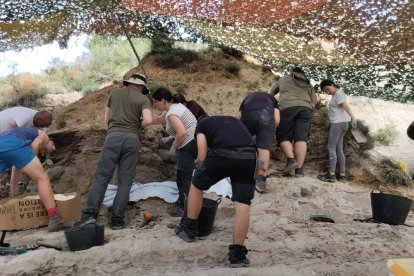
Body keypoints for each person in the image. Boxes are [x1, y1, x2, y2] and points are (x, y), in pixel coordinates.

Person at [175, 116, 257, 268]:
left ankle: (188, 229)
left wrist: (199, 167)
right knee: (243, 203)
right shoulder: (234, 120)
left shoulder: (202, 124)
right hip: (249, 155)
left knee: (197, 185)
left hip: (223, 154)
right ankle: (237, 256)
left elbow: (201, 155)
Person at [80, 73, 152, 230]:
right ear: (140, 86)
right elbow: (148, 120)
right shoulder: (143, 99)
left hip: (113, 137)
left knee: (102, 177)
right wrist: (136, 126)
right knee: (125, 181)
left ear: (129, 83)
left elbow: (106, 119)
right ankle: (117, 220)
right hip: (132, 139)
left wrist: (113, 131)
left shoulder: (114, 93)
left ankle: (89, 216)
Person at [0, 127, 63, 232]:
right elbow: (34, 145)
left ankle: (11, 215)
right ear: (50, 140)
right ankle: (54, 218)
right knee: (42, 178)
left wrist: (14, 201)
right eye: (52, 146)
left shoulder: (20, 144)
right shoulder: (43, 135)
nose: (53, 149)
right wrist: (33, 165)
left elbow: (14, 179)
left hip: (2, 144)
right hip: (12, 144)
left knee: (18, 180)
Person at [151, 88, 197, 211]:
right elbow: (158, 120)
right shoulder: (173, 107)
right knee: (182, 175)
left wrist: (174, 147)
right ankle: (183, 202)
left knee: (184, 177)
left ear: (164, 101)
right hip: (192, 142)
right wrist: (144, 122)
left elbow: (181, 133)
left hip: (189, 144)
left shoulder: (172, 113)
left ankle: (187, 208)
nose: (154, 104)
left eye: (156, 102)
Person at [270, 67, 316, 177]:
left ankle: (291, 161)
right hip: (305, 109)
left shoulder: (284, 78)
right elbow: (313, 104)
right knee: (301, 138)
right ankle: (299, 170)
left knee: (284, 136)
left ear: (292, 73)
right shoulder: (308, 83)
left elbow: (271, 93)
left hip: (287, 108)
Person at [239, 91, 279, 192]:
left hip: (249, 115)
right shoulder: (271, 98)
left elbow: (241, 118)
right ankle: (261, 180)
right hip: (267, 115)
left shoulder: (247, 98)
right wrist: (269, 130)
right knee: (263, 148)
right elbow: (277, 120)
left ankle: (240, 174)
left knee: (243, 144)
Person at [317, 80, 356, 182]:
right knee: (339, 148)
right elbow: (338, 111)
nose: (327, 92)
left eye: (328, 89)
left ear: (332, 85)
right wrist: (331, 121)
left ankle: (332, 174)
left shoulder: (338, 93)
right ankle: (342, 175)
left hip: (338, 124)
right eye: (325, 91)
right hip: (343, 124)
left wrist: (353, 117)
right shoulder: (337, 94)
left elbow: (345, 105)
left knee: (331, 147)